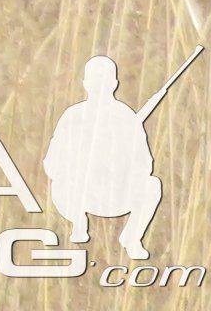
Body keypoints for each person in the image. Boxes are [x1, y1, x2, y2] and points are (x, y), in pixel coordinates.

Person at [46, 54, 165, 260]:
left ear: (114, 84)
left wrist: (119, 163)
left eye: (104, 81)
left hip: (115, 194)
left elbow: (145, 164)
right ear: (85, 83)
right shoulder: (72, 117)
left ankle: (132, 237)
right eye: (95, 81)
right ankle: (79, 222)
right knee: (61, 184)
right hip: (80, 195)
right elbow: (52, 164)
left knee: (152, 186)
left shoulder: (127, 118)